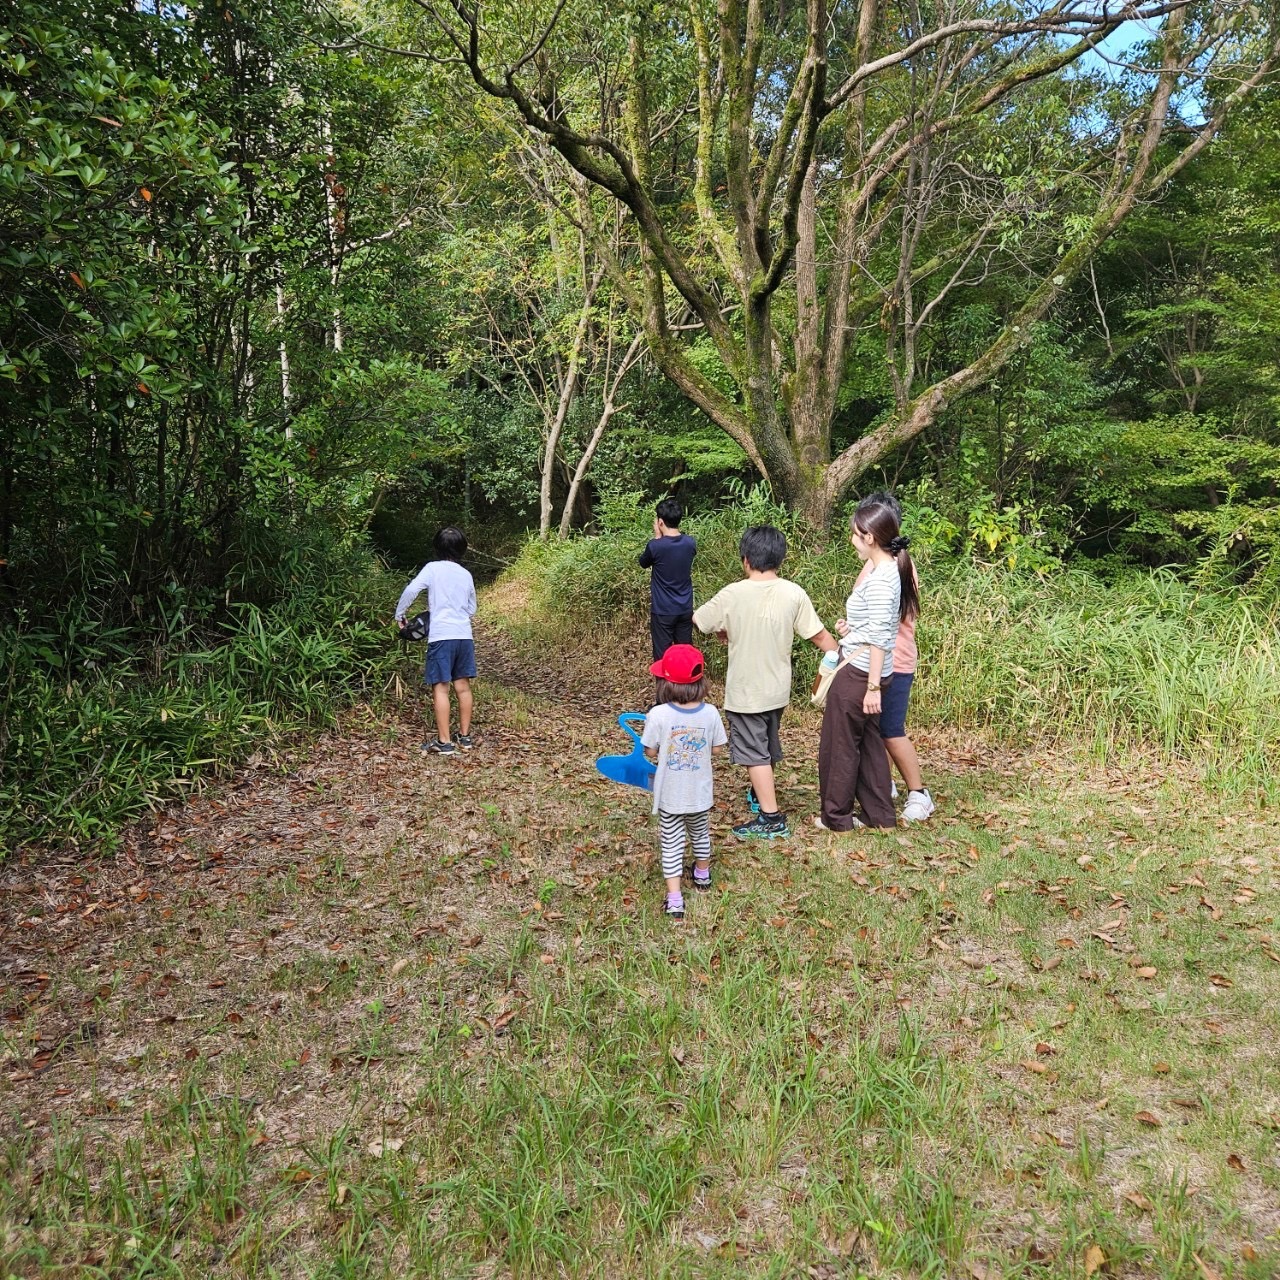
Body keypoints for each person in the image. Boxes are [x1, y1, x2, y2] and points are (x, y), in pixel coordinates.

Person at [693, 525, 837, 840]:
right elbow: (819, 635)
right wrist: (840, 655)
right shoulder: (793, 592)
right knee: (767, 744)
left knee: (754, 752)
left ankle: (771, 818)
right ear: (780, 560)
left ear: (745, 560)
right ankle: (761, 795)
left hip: (746, 690)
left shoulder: (733, 593)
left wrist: (724, 628)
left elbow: (700, 620)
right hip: (777, 688)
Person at [817, 497, 919, 831]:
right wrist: (851, 629)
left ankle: (837, 818)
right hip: (875, 668)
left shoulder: (879, 579)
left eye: (855, 535)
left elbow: (881, 637)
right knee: (872, 744)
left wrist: (873, 686)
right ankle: (881, 815)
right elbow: (880, 626)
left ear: (870, 537)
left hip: (862, 673)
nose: (852, 541)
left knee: (841, 745)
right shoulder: (889, 569)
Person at [856, 491, 935, 822]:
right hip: (878, 658)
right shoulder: (878, 565)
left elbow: (887, 621)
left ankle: (919, 793)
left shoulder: (897, 566)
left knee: (890, 729)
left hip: (895, 661)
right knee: (876, 729)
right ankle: (882, 784)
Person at [642, 644, 728, 921]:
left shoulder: (658, 714)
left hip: (669, 794)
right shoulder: (711, 713)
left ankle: (675, 899)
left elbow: (651, 751)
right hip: (699, 793)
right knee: (700, 833)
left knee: (671, 842)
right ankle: (702, 875)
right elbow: (717, 749)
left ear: (666, 682)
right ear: (701, 680)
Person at [395, 527, 477, 755]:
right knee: (463, 687)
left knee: (441, 688)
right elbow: (472, 608)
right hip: (464, 636)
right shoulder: (465, 574)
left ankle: (444, 742)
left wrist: (400, 615)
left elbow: (412, 590)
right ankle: (465, 738)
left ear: (437, 547)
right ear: (462, 549)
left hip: (442, 636)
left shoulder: (432, 569)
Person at [638, 498, 697, 660]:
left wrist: (658, 537)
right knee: (685, 656)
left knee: (662, 658)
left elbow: (643, 563)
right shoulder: (690, 543)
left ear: (660, 522)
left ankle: (664, 686)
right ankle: (685, 685)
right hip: (685, 608)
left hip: (663, 610)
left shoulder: (655, 546)